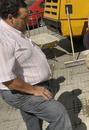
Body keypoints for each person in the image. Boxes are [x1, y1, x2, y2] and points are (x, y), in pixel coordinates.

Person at [0, 0, 72, 130]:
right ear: (10, 18)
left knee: (32, 120)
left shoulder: (13, 30)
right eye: (24, 18)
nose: (28, 21)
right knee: (58, 113)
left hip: (28, 86)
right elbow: (7, 79)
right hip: (20, 90)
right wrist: (34, 90)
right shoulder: (3, 38)